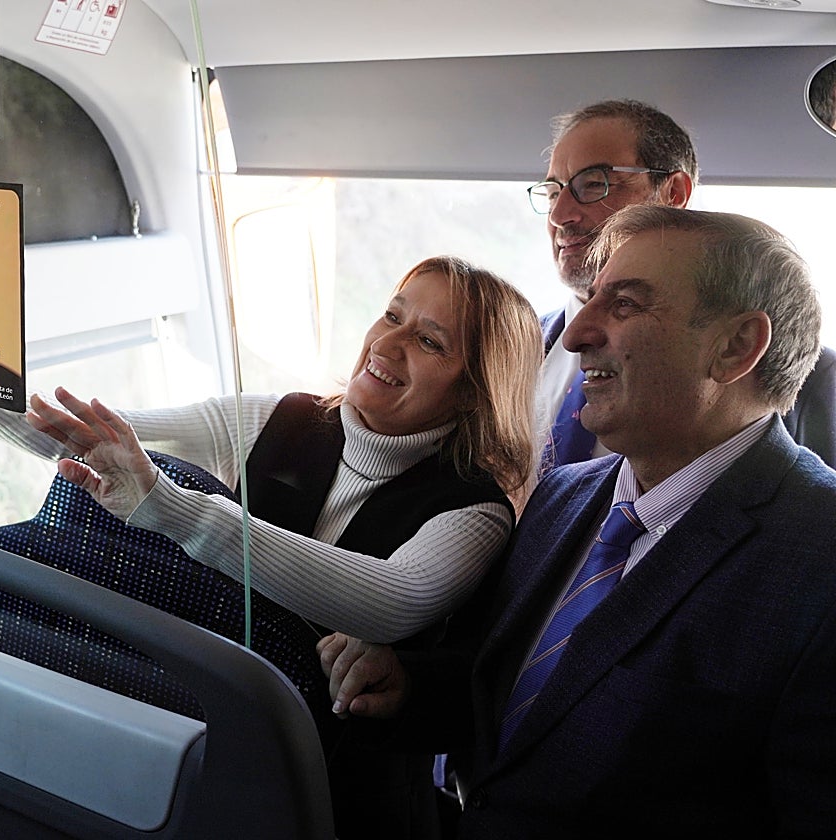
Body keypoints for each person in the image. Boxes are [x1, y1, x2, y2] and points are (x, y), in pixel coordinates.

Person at [0, 255, 544, 838]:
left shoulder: (477, 509)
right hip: (195, 747)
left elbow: (391, 599)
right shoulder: (276, 418)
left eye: (429, 341)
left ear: (475, 392)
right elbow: (83, 438)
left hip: (340, 801)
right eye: (392, 315)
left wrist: (171, 506)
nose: (388, 344)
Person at [319, 205, 836, 838]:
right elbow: (517, 699)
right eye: (589, 298)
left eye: (623, 305)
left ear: (734, 348)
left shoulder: (820, 554)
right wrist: (409, 687)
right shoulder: (562, 497)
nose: (573, 334)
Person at [534, 99, 836, 469]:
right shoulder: (514, 347)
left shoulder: (807, 381)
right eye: (552, 193)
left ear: (673, 193)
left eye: (594, 184)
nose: (560, 215)